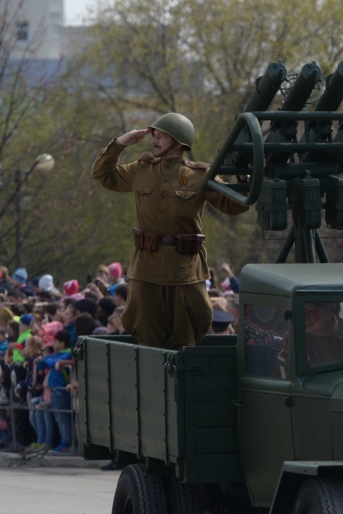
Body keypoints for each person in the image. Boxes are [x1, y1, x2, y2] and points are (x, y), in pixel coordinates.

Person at [92, 113, 249, 348]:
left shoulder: (199, 176)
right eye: (154, 136)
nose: (154, 141)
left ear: (179, 141)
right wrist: (120, 143)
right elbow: (103, 175)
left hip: (184, 271)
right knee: (146, 337)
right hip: (146, 268)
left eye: (161, 137)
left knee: (185, 337)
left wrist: (245, 179)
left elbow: (234, 205)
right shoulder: (141, 170)